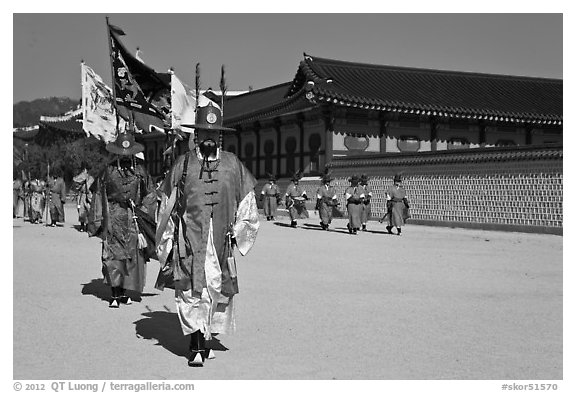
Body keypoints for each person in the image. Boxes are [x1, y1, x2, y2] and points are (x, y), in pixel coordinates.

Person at [155, 100, 259, 367]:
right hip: (189, 240)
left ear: (219, 135)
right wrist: (168, 236)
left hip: (220, 241)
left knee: (215, 289)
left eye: (214, 133)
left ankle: (205, 336)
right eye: (205, 133)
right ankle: (195, 345)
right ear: (197, 135)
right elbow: (166, 202)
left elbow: (248, 201)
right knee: (191, 290)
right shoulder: (184, 164)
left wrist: (240, 231)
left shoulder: (233, 164)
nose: (209, 138)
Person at [88, 132, 157, 308]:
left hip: (133, 217)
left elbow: (150, 193)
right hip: (113, 215)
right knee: (112, 255)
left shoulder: (141, 169)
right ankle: (114, 293)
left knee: (131, 257)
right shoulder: (108, 170)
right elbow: (97, 193)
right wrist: (98, 219)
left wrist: (143, 210)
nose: (125, 157)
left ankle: (124, 291)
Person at [73, 162, 95, 232]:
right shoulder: (81, 176)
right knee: (81, 210)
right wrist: (82, 180)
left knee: (89, 210)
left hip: (89, 195)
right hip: (82, 195)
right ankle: (82, 225)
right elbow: (76, 181)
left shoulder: (91, 178)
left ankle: (88, 226)